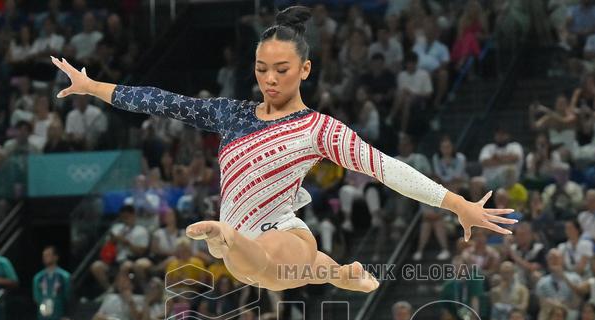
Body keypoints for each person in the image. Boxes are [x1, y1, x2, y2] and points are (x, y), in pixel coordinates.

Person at [51, 6, 514, 294]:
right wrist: (93, 86)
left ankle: (239, 242)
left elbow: (384, 167)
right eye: (261, 69)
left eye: (281, 70)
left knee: (265, 265)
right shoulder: (231, 115)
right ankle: (333, 272)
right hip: (249, 234)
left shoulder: (318, 129)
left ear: (305, 69)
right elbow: (164, 101)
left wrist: (456, 204)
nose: (269, 80)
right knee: (260, 268)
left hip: (281, 231)